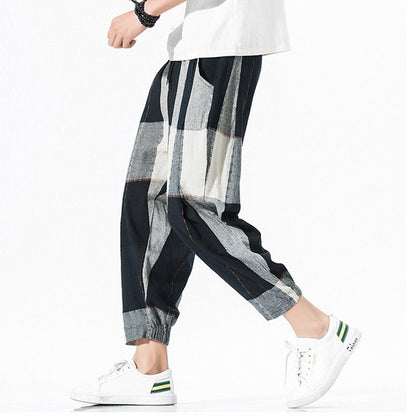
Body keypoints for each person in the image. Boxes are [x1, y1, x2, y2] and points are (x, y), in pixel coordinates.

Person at [70, 0, 361, 409]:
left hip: (222, 41)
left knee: (193, 207)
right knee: (147, 199)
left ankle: (317, 327)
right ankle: (149, 368)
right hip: (193, 45)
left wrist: (144, 14)